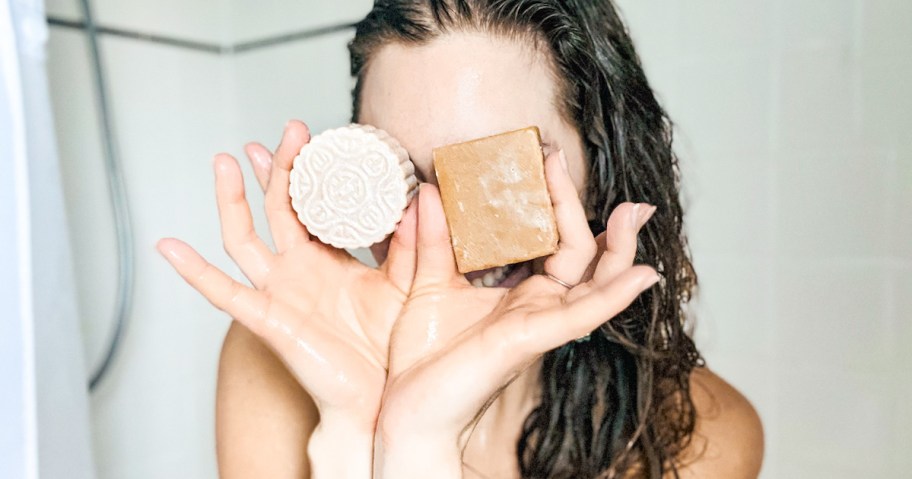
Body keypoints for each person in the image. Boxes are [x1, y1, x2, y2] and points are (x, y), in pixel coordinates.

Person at [158, 1, 764, 477]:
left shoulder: (702, 432)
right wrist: (365, 431)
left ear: (601, 176)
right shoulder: (280, 352)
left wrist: (422, 437)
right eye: (397, 173)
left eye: (498, 171)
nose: (437, 236)